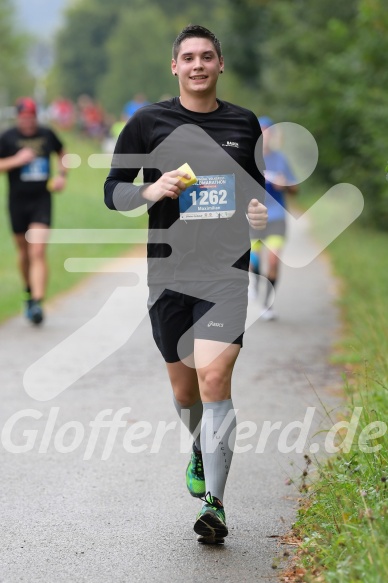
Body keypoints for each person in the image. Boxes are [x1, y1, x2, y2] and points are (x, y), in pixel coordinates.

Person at [104, 25, 267, 544]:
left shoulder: (244, 123)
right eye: (188, 58)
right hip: (169, 277)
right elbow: (113, 193)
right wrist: (150, 189)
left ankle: (215, 507)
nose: (198, 65)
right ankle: (201, 443)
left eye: (207, 57)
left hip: (227, 274)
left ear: (221, 65)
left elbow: (254, 197)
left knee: (215, 379)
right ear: (174, 67)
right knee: (185, 389)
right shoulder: (148, 122)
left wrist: (259, 217)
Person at [0, 97, 67, 325]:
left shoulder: (47, 134)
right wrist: (16, 160)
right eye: (24, 118)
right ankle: (28, 291)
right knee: (23, 253)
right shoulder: (8, 137)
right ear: (18, 117)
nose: (28, 122)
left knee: (37, 251)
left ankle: (37, 303)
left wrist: (61, 176)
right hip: (17, 202)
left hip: (41, 200)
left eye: (31, 118)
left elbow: (62, 152)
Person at [249, 116, 298, 320]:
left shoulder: (280, 159)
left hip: (277, 216)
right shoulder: (246, 158)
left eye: (268, 132)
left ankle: (267, 305)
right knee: (255, 262)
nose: (265, 136)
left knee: (274, 260)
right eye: (261, 132)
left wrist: (285, 185)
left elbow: (295, 189)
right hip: (253, 216)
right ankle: (255, 282)